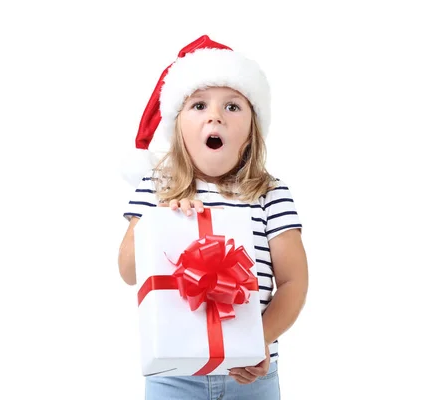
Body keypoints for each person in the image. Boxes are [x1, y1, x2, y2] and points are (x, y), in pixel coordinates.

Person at [118, 35, 308, 400]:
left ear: (252, 131)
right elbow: (128, 271)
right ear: (178, 128)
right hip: (172, 374)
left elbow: (293, 282)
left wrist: (258, 342)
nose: (215, 116)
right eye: (199, 105)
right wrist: (160, 220)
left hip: (252, 374)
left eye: (233, 106)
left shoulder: (270, 194)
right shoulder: (156, 187)